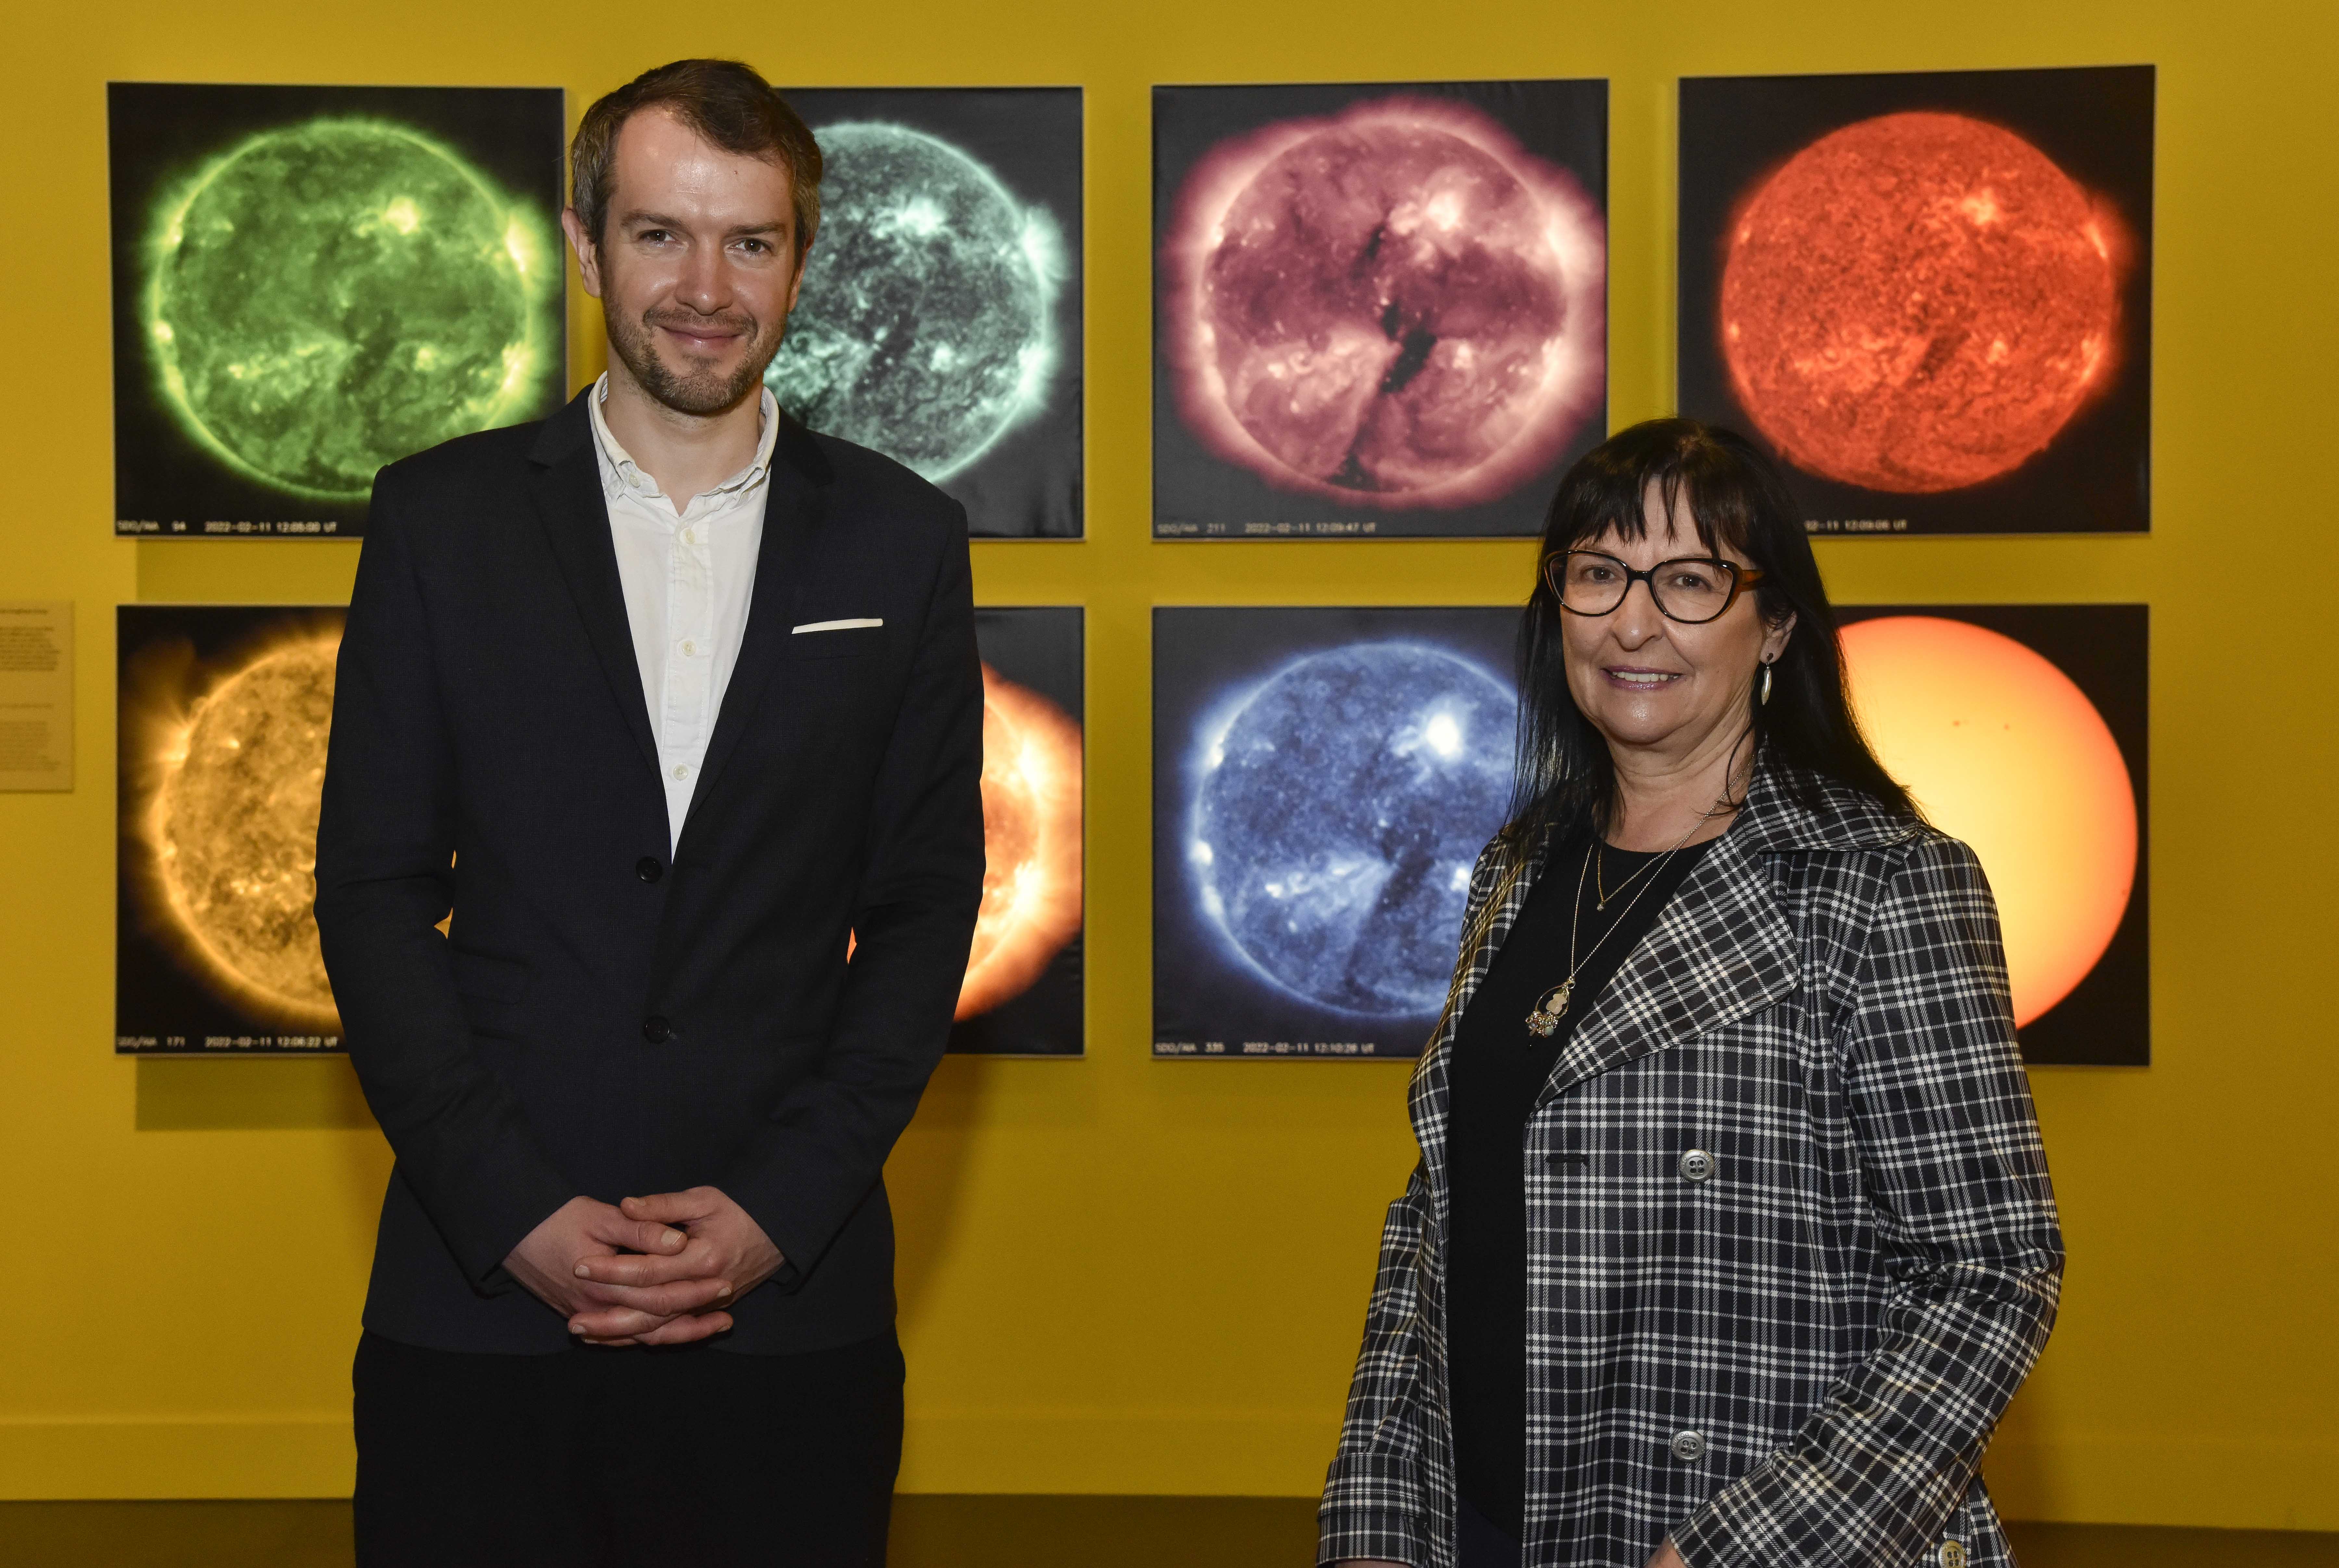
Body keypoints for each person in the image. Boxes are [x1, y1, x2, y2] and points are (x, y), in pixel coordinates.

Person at [313, 58, 984, 1567]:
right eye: (661, 233)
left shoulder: (904, 540)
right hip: (477, 1301)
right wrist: (512, 1210)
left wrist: (778, 1204)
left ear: (801, 259)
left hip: (786, 1309)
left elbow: (929, 901)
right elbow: (369, 888)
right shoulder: (440, 518)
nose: (705, 285)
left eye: (750, 241)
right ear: (583, 241)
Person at [1319, 419, 2063, 1568]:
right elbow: (1433, 1213)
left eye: (1688, 580)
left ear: (1772, 627)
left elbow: (1988, 1270)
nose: (1631, 621)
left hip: (1728, 1535)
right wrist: (1372, 1517)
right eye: (1597, 573)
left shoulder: (1881, 883)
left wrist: (1740, 1550)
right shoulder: (1519, 866)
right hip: (1478, 1526)